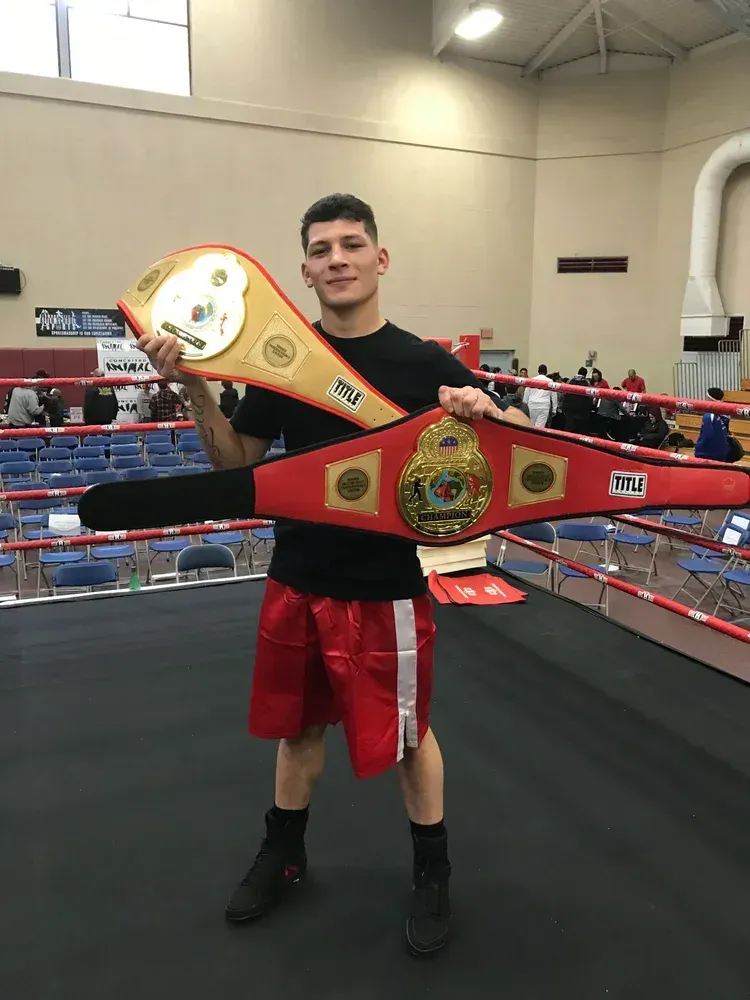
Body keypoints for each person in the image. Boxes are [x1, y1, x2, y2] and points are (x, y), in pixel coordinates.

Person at [136, 193, 529, 956]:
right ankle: (284, 852)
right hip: (297, 574)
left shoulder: (422, 362)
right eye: (322, 250)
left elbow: (518, 447)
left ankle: (433, 870)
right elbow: (234, 464)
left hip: (386, 586)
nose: (337, 259)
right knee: (299, 728)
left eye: (352, 245)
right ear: (306, 272)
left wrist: (482, 408)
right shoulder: (284, 361)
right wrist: (193, 385)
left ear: (379, 259)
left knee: (411, 738)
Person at [695, 388, 730, 461]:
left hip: (707, 453)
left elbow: (707, 435)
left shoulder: (709, 416)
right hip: (723, 451)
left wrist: (698, 449)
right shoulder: (726, 413)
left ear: (710, 399)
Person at [523, 364, 557, 428]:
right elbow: (554, 396)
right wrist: (554, 409)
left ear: (538, 371)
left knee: (531, 425)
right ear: (546, 372)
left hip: (532, 405)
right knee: (540, 428)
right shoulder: (550, 381)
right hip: (544, 406)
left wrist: (524, 405)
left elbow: (526, 394)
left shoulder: (531, 380)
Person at [561, 367, 593, 434]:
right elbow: (591, 395)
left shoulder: (570, 381)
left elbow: (564, 392)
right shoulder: (587, 382)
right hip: (582, 408)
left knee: (569, 426)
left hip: (569, 407)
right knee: (581, 429)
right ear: (585, 374)